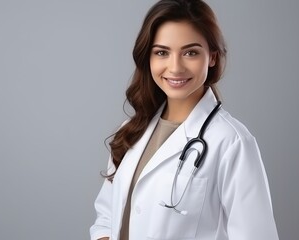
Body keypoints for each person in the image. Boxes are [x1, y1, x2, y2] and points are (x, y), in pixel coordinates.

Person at [90, 0, 279, 239]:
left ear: (212, 56)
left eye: (190, 52)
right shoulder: (130, 131)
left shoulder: (232, 142)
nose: (175, 67)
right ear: (148, 57)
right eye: (162, 52)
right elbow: (107, 217)